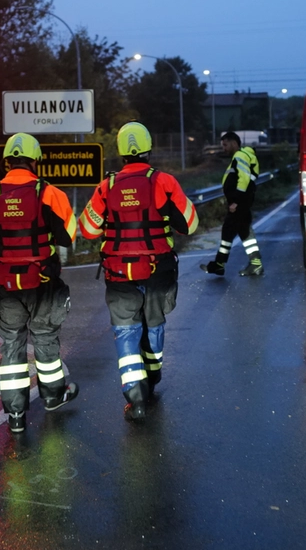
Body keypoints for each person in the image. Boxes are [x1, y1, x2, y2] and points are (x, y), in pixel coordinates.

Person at [79, 122, 199, 420]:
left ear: (120, 153)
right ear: (148, 149)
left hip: (119, 274)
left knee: (125, 330)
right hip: (158, 271)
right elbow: (190, 224)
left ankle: (135, 396)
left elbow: (88, 229)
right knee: (154, 324)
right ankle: (153, 375)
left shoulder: (106, 187)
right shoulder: (164, 182)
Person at [0, 133, 79, 433]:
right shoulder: (51, 194)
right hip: (42, 279)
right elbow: (69, 235)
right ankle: (54, 397)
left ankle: (15, 415)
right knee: (44, 337)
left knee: (12, 345)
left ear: (6, 162)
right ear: (36, 160)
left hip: (4, 283)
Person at [201, 131, 264, 277]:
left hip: (239, 203)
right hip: (242, 202)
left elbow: (243, 179)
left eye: (225, 145)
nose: (223, 148)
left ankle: (221, 265)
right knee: (238, 232)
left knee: (235, 232)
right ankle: (225, 264)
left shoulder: (240, 156)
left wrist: (235, 201)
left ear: (234, 143)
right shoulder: (243, 156)